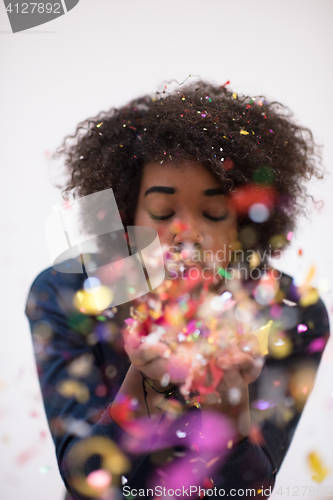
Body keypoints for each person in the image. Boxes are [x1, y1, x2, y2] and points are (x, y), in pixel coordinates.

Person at [25, 80, 330, 500]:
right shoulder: (67, 291)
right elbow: (85, 480)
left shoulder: (290, 310)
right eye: (163, 212)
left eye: (215, 212)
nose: (189, 236)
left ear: (243, 225)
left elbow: (251, 491)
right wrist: (143, 382)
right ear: (125, 213)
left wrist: (229, 406)